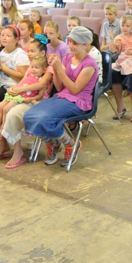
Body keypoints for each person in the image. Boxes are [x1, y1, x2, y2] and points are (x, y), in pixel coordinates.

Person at [24, 26, 101, 165]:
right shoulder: (67, 58)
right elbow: (59, 87)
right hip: (62, 97)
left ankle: (71, 144)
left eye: (75, 43)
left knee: (46, 119)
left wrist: (60, 69)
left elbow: (75, 90)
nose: (70, 45)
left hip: (79, 101)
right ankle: (53, 143)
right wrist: (55, 69)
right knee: (29, 115)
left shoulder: (90, 64)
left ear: (86, 45)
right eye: (70, 41)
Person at [0, 51, 49, 162]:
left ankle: (17, 149)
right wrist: (13, 89)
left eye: (33, 50)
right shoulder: (30, 72)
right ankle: (3, 143)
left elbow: (40, 92)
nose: (29, 53)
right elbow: (21, 83)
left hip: (30, 100)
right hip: (19, 95)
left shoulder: (46, 72)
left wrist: (28, 97)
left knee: (11, 113)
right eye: (32, 67)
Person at [107, 15, 132, 121]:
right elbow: (113, 51)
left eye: (127, 26)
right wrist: (112, 39)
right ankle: (120, 106)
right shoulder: (119, 37)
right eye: (123, 25)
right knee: (112, 73)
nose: (125, 28)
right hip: (123, 61)